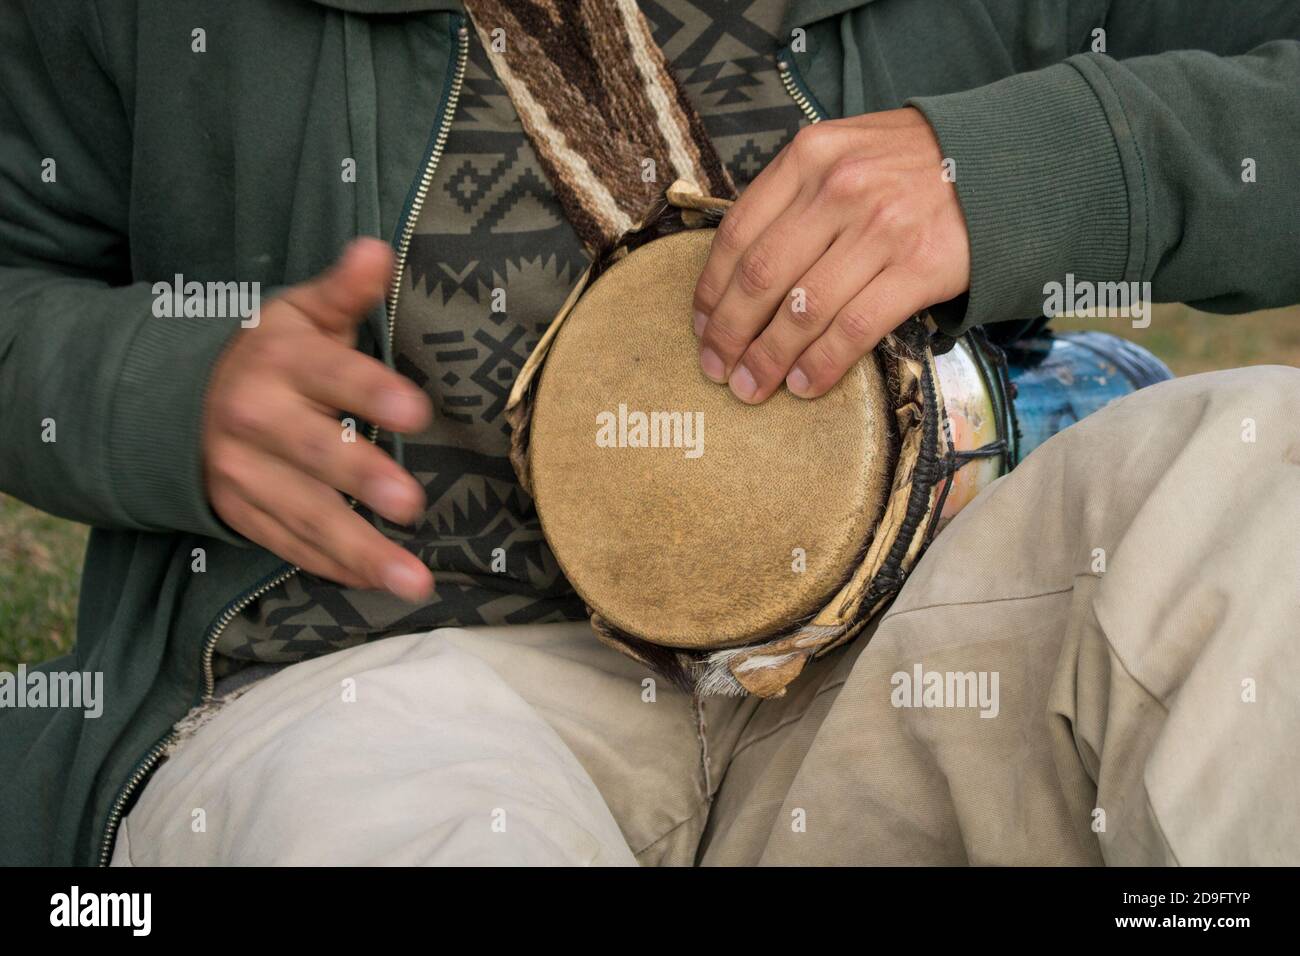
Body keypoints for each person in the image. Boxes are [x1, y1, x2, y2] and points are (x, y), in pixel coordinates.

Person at [0, 0, 1297, 866]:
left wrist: (1037, 162)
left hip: (916, 640)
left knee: (1266, 472)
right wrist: (162, 391)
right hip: (389, 686)